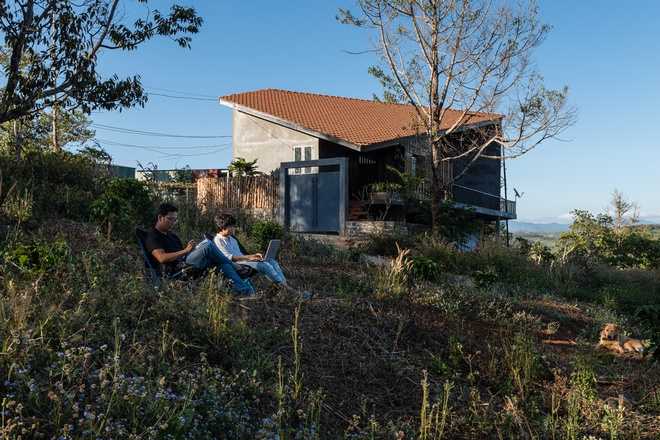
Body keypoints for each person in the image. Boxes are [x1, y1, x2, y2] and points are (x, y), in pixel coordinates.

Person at [145, 203, 255, 296]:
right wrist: (186, 251)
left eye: (175, 220)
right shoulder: (153, 236)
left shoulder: (172, 236)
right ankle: (233, 264)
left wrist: (192, 250)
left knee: (224, 266)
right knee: (208, 246)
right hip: (176, 268)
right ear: (160, 217)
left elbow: (184, 253)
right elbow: (162, 258)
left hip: (187, 261)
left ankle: (248, 293)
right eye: (170, 219)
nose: (173, 223)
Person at [213, 213, 308, 296]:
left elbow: (240, 254)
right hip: (236, 265)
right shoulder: (218, 240)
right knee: (264, 265)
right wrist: (251, 257)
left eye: (232, 226)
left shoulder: (232, 239)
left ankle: (284, 286)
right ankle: (288, 290)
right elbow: (229, 258)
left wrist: (254, 257)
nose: (232, 229)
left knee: (271, 261)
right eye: (229, 227)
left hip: (244, 261)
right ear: (222, 226)